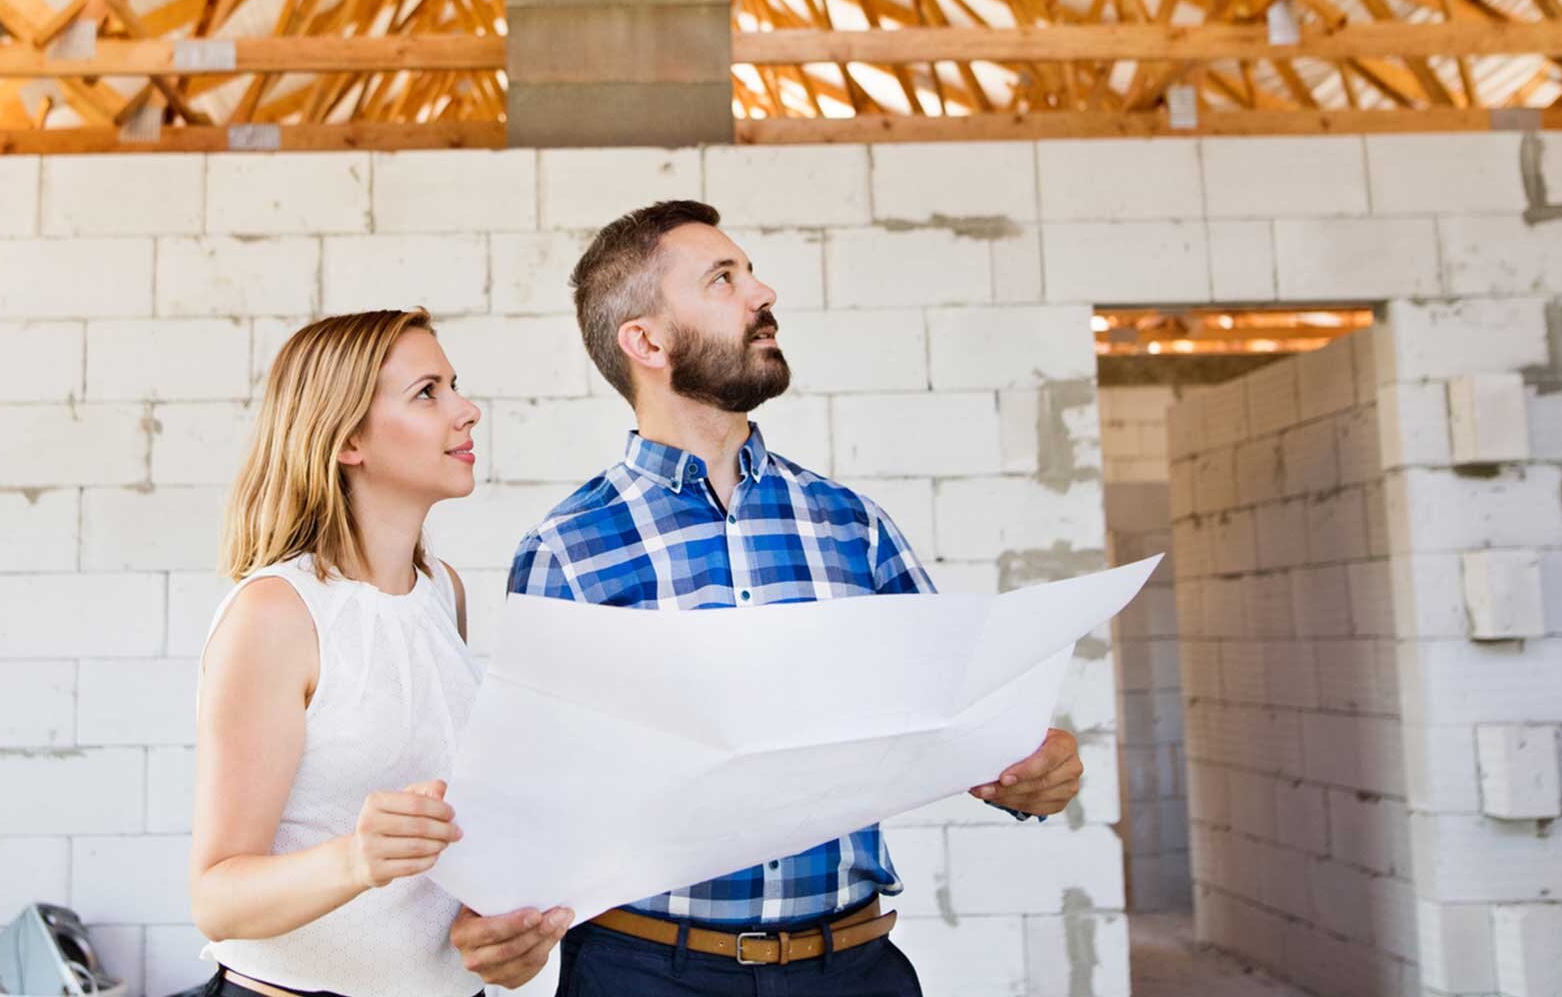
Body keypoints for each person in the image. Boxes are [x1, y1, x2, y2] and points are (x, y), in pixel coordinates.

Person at [448, 201, 1086, 996]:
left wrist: (1036, 768)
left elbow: (968, 719)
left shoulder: (851, 525)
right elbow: (532, 793)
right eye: (724, 279)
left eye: (749, 272)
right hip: (645, 972)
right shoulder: (567, 552)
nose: (763, 293)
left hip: (854, 969)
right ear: (646, 342)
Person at [189, 309, 565, 997]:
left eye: (455, 386)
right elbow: (217, 898)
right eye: (428, 392)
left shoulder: (440, 592)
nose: (467, 410)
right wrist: (356, 860)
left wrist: (500, 936)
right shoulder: (275, 613)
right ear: (348, 440)